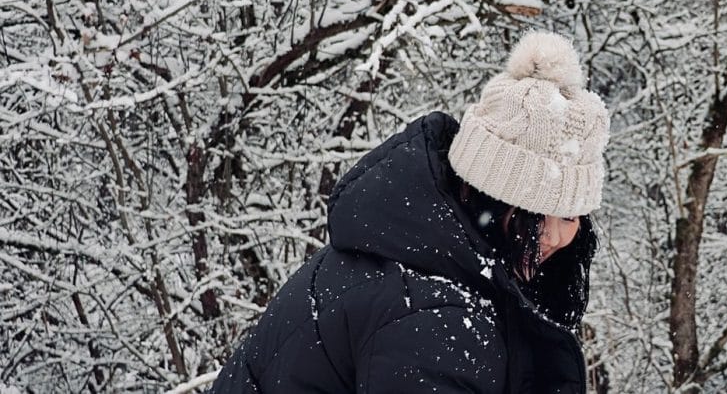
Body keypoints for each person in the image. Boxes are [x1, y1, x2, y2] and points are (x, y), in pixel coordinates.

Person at [209, 31, 610, 393]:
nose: (555, 236)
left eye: (570, 217)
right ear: (492, 199)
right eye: (537, 217)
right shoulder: (433, 316)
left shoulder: (423, 249)